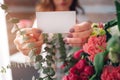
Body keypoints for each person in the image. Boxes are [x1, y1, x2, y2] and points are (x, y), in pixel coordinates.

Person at [14, 0, 92, 56]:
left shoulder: (83, 20)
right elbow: (33, 51)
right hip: (50, 74)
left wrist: (91, 41)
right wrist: (28, 46)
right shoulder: (41, 20)